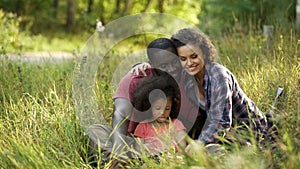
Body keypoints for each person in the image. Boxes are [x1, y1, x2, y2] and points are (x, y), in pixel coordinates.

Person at [87, 38, 202, 164]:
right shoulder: (135, 78)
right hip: (138, 144)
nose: (171, 69)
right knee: (95, 132)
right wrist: (119, 153)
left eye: (174, 62)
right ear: (151, 64)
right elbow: (120, 113)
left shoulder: (189, 78)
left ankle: (148, 163)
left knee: (204, 147)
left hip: (172, 143)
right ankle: (126, 162)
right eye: (163, 66)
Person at [170, 28, 269, 147]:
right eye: (183, 59)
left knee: (209, 152)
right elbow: (163, 69)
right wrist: (143, 67)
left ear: (204, 53)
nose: (189, 63)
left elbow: (222, 123)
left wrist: (200, 143)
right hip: (225, 134)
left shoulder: (218, 76)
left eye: (194, 56)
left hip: (251, 133)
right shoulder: (187, 78)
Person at [132, 73, 187, 155]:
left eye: (167, 108)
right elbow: (138, 149)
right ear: (149, 106)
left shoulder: (176, 124)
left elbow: (182, 146)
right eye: (158, 108)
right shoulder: (143, 126)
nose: (162, 112)